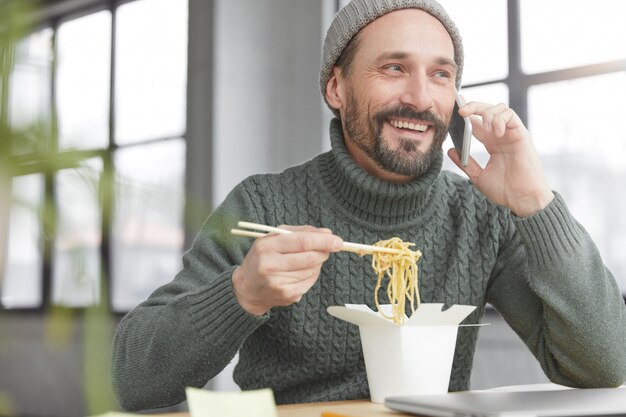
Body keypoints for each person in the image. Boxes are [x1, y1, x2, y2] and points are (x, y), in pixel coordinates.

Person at [111, 0, 626, 411]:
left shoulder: (479, 215)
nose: (421, 98)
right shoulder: (263, 204)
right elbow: (134, 383)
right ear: (336, 87)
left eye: (441, 75)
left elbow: (605, 363)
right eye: (394, 67)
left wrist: (536, 203)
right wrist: (242, 292)